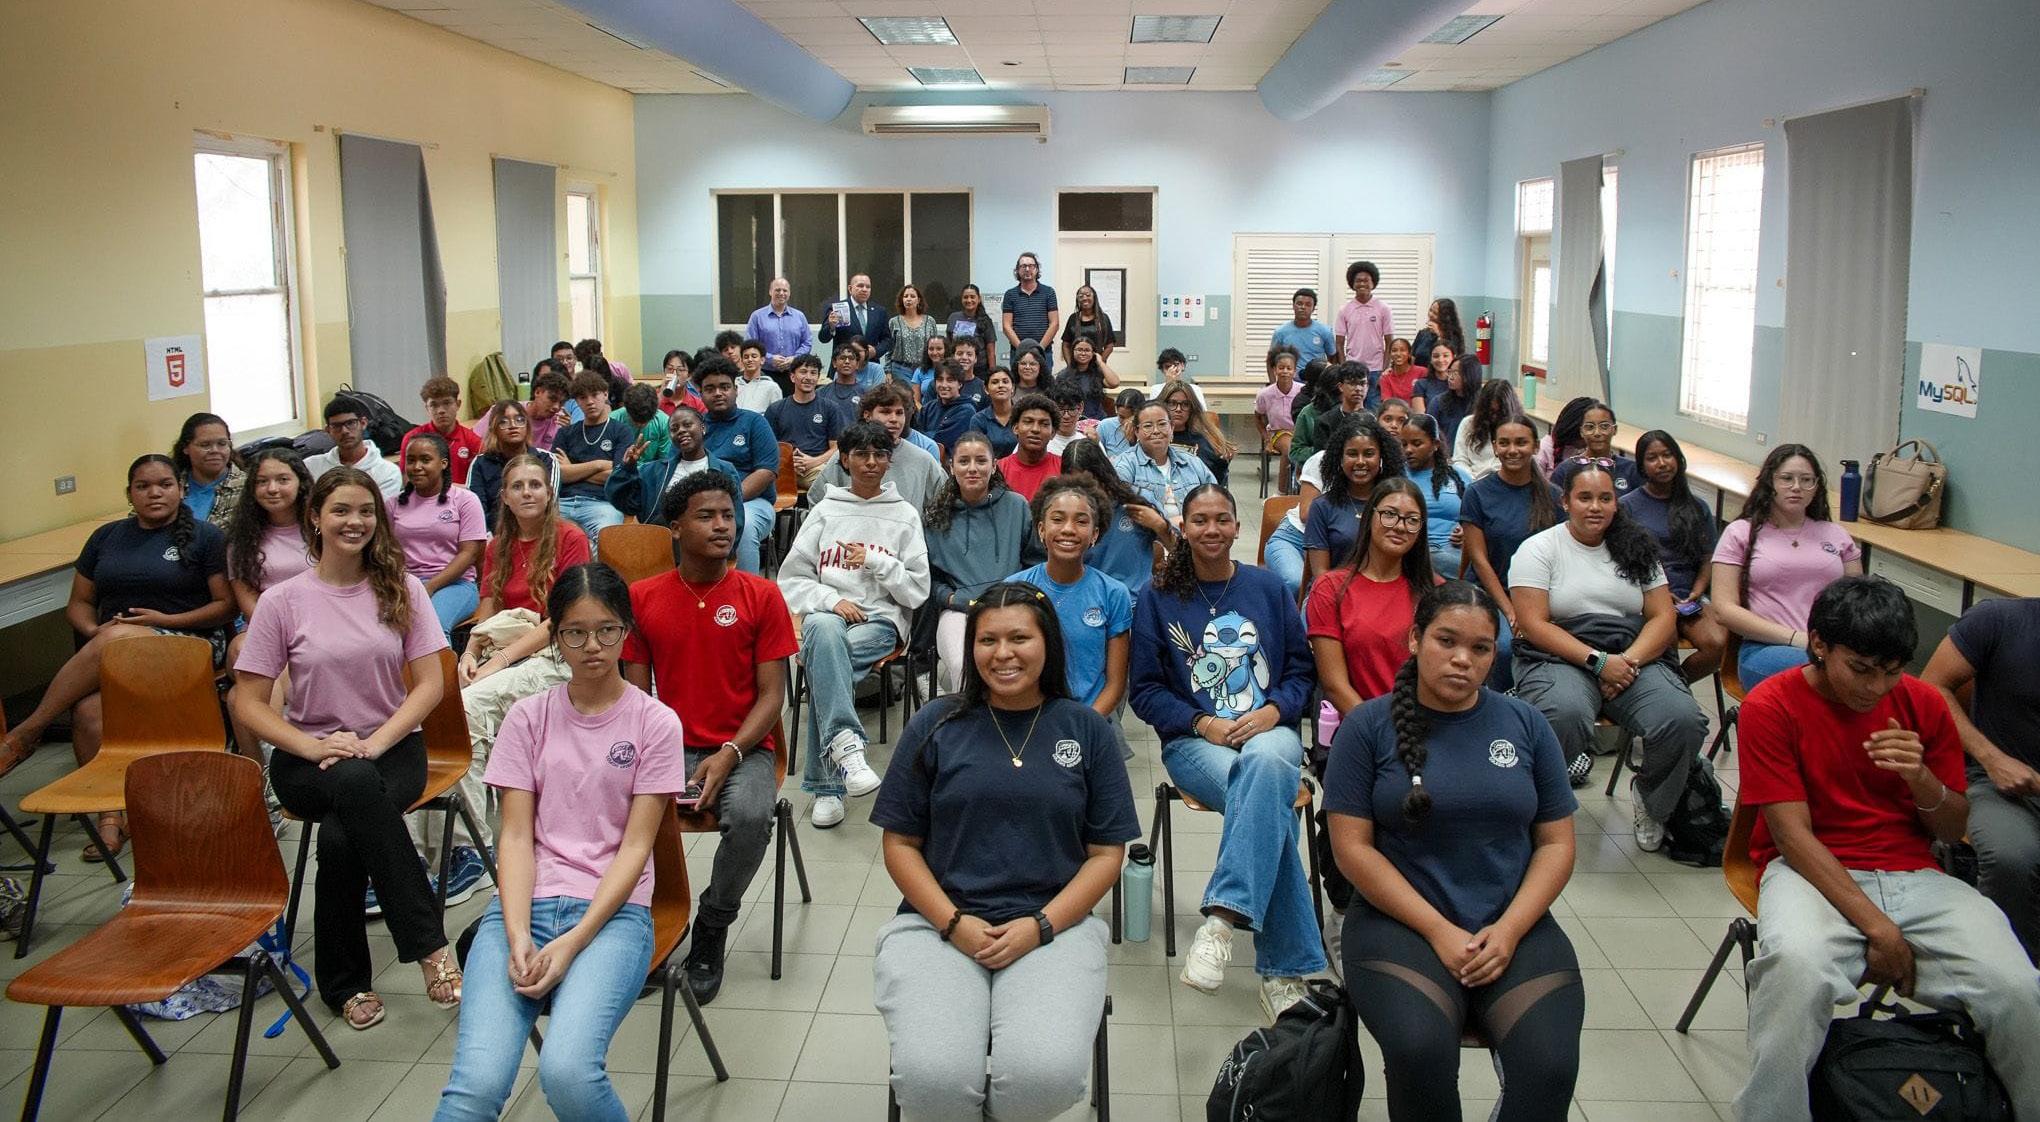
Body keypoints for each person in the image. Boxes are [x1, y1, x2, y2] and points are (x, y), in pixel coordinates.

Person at [1733, 576, 2040, 1120]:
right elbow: (1793, 838)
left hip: (1915, 875)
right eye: (1861, 669)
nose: (1876, 688)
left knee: (2018, 988)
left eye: (1892, 671)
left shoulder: (1923, 703)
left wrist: (1920, 777)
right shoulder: (1772, 704)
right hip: (1808, 873)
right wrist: (1880, 928)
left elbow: (1950, 828)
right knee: (1794, 974)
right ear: (1819, 644)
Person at [871, 583, 1138, 1121]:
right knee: (932, 1080)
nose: (1002, 654)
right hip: (937, 923)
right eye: (987, 640)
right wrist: (954, 923)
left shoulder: (1087, 729)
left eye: (1019, 638)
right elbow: (899, 843)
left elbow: (1106, 854)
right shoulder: (935, 724)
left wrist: (1039, 926)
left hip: (1055, 926)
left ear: (1048, 644)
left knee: (1045, 1078)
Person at [1324, 580, 1584, 1122]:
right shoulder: (1367, 728)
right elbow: (1352, 850)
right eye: (1446, 641)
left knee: (1550, 1067)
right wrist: (1440, 931)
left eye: (1480, 648)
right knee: (1420, 1053)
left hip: (1512, 921)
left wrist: (1509, 929)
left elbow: (1557, 843)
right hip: (1400, 923)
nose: (1463, 659)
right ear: (1415, 640)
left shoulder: (1527, 724)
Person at [433, 561, 680, 1120]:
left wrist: (572, 941)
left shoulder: (655, 722)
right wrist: (518, 932)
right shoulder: (527, 718)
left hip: (612, 916)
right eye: (575, 633)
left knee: (567, 1072)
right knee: (474, 1087)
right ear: (555, 636)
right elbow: (516, 837)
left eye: (607, 630)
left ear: (626, 630)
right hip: (525, 906)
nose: (592, 646)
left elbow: (636, 848)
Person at [232, 466, 459, 1028]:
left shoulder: (402, 589)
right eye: (340, 510)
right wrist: (311, 748)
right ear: (315, 517)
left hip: (393, 748)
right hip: (306, 758)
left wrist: (374, 743)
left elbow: (431, 684)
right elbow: (249, 703)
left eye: (365, 511)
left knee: (340, 834)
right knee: (353, 788)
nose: (354, 521)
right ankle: (430, 948)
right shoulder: (283, 601)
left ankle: (346, 985)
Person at [1131, 485, 1325, 1019]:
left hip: (1270, 732)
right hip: (1194, 743)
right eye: (1200, 520)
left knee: (1263, 767)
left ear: (1238, 527)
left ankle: (1221, 920)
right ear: (1184, 528)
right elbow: (1145, 691)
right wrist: (1202, 722)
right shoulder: (1157, 595)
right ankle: (1283, 973)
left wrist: (1273, 712)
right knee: (1268, 794)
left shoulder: (1268, 587)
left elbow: (1301, 671)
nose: (1211, 529)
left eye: (1222, 519)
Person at [617, 471, 799, 1003]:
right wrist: (656, 761)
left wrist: (729, 754)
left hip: (745, 746)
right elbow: (637, 699)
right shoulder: (642, 597)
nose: (723, 525)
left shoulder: (761, 595)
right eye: (706, 516)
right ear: (675, 527)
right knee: (617, 811)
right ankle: (646, 926)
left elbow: (772, 697)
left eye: (728, 515)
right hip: (666, 745)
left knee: (750, 817)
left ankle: (712, 924)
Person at [0, 457, 234, 850]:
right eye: (143, 486)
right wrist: (96, 633)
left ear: (181, 489)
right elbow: (79, 603)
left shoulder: (206, 537)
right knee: (88, 712)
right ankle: (110, 817)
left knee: (118, 638)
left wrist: (162, 620)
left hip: (190, 644)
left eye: (164, 484)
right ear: (129, 493)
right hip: (116, 651)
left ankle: (27, 731)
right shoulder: (106, 537)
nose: (154, 493)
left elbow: (225, 606)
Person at [1511, 458, 1708, 826]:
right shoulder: (1538, 549)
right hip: (1559, 656)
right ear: (1565, 502)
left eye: (1605, 498)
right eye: (1584, 498)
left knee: (1683, 720)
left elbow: (1663, 616)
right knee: (1563, 714)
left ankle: (1653, 803)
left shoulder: (1637, 548)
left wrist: (1627, 663)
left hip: (1632, 656)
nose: (1595, 507)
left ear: (1616, 503)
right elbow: (1533, 624)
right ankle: (1536, 809)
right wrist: (1600, 663)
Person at [449, 454, 594, 896]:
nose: (527, 492)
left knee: (468, 707)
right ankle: (431, 849)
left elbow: (563, 619)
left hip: (554, 654)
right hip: (502, 646)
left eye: (535, 484)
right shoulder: (498, 544)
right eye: (518, 486)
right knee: (437, 709)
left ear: (550, 493)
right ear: (505, 497)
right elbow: (489, 605)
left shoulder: (570, 538)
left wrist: (499, 661)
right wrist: (471, 652)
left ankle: (471, 850)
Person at [781, 421, 931, 827]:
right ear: (844, 460)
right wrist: (833, 600)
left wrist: (876, 561)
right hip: (826, 617)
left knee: (824, 658)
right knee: (826, 636)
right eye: (861, 454)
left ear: (889, 461)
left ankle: (827, 786)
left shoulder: (904, 515)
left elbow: (916, 591)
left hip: (880, 623)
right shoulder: (825, 511)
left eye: (880, 454)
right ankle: (847, 750)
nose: (871, 462)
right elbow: (790, 580)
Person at [1923, 596, 2040, 961]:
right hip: (2002, 788)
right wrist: (1992, 758)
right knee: (2011, 857)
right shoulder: (1999, 620)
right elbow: (1931, 688)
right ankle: (2009, 970)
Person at [1711, 444, 1863, 692]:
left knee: (1878, 674)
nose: (1796, 487)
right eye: (1786, 478)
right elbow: (1723, 610)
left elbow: (1858, 604)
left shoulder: (1836, 534)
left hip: (1831, 649)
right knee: (1832, 674)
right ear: (1769, 482)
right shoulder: (1740, 533)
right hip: (1766, 648)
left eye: (1806, 480)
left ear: (1816, 487)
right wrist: (1796, 639)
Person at [1308, 478, 1436, 728]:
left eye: (1412, 520)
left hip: (1421, 728)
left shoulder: (1434, 592)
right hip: (1360, 728)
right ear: (1369, 517)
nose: (1400, 526)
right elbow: (1335, 685)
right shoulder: (1330, 588)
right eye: (1389, 515)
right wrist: (1382, 732)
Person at [926, 432, 1040, 695]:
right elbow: (928, 577)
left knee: (1017, 663)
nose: (973, 468)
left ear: (994, 465)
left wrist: (1017, 596)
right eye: (964, 461)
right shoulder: (935, 516)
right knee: (963, 665)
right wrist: (950, 598)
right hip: (959, 611)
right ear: (951, 467)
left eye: (981, 460)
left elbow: (1035, 562)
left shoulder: (1017, 506)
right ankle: (971, 720)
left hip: (1012, 606)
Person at [1016, 477, 1133, 725]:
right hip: (1028, 720)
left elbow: (1116, 684)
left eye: (1081, 521)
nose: (1068, 529)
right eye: (1058, 519)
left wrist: (1085, 726)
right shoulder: (1015, 589)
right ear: (1041, 529)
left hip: (1092, 718)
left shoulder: (1113, 593)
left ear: (1094, 534)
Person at [221, 447, 315, 757]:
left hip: (320, 624)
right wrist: (282, 634)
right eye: (262, 482)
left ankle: (266, 766)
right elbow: (247, 600)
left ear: (300, 483)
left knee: (238, 698)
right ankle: (273, 762)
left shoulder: (321, 529)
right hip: (264, 627)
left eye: (282, 479)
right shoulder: (241, 539)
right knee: (245, 648)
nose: (272, 488)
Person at [1458, 416, 1557, 690]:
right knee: (1504, 648)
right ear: (1495, 446)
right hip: (1492, 593)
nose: (1512, 450)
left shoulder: (1553, 496)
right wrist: (1511, 610)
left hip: (1541, 596)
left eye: (1521, 442)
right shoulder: (1477, 493)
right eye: (1504, 443)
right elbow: (1479, 560)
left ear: (1535, 446)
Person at [1623, 431, 1726, 682]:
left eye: (1667, 455)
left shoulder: (1697, 506)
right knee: (1664, 645)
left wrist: (1697, 590)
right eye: (1652, 458)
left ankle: (1677, 685)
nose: (1662, 463)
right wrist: (1660, 593)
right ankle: (1668, 692)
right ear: (1642, 466)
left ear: (1678, 459)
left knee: (1718, 644)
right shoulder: (1627, 506)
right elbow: (1623, 559)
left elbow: (1708, 556)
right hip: (1649, 596)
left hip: (1690, 598)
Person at [391, 434, 489, 639]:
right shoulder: (392, 504)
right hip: (405, 583)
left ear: (443, 463)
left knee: (432, 626)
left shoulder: (465, 500)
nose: (417, 467)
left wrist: (430, 587)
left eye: (425, 460)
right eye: (411, 460)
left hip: (455, 585)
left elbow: (469, 554)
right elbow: (387, 551)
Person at [1303, 413, 1409, 596]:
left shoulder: (1397, 504)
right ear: (1340, 458)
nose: (1360, 462)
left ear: (1381, 457)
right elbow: (1321, 574)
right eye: (1352, 454)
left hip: (1384, 594)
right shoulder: (1322, 506)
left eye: (1369, 454)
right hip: (1332, 594)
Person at [696, 357, 783, 576]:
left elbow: (766, 472)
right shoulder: (694, 427)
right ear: (700, 394)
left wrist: (727, 501)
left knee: (743, 526)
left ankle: (747, 592)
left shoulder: (755, 423)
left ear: (736, 390)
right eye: (710, 389)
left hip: (752, 503)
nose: (718, 393)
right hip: (701, 503)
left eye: (724, 387)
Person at [809, 381, 948, 508]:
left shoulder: (923, 460)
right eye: (886, 412)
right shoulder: (848, 455)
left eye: (899, 413)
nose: (894, 419)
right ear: (867, 415)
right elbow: (817, 500)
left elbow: (945, 504)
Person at [604, 405, 741, 527]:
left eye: (687, 425)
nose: (681, 431)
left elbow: (736, 518)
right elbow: (623, 501)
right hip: (660, 539)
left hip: (706, 541)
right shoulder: (652, 471)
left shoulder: (725, 470)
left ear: (703, 428)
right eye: (674, 429)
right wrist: (626, 468)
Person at [550, 370, 632, 540]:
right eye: (583, 397)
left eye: (595, 395)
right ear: (577, 402)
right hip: (563, 502)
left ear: (605, 394)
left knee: (606, 539)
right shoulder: (565, 433)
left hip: (602, 503)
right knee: (545, 536)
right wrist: (599, 465)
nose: (590, 402)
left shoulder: (621, 431)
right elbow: (558, 474)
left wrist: (573, 469)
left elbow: (617, 476)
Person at [1112, 400, 1214, 528]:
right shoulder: (1124, 465)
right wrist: (1168, 524)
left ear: (1172, 427)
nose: (1156, 431)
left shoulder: (1192, 462)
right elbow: (1122, 514)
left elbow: (1215, 501)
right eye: (1148, 426)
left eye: (1162, 424)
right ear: (1137, 431)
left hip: (1192, 535)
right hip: (1146, 536)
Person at [1398, 414, 1472, 578]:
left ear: (1435, 444)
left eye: (1416, 443)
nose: (1408, 450)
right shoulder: (1397, 477)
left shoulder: (1459, 477)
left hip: (1456, 550)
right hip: (1416, 551)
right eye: (1404, 444)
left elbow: (1477, 518)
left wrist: (1467, 531)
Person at [767, 353, 846, 490]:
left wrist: (813, 462)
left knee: (828, 486)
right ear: (792, 377)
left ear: (818, 377)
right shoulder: (775, 409)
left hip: (816, 466)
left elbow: (836, 447)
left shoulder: (830, 408)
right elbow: (768, 447)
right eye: (803, 372)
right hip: (782, 467)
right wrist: (787, 463)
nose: (808, 377)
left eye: (813, 373)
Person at [306, 394, 402, 498]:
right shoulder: (311, 466)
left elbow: (378, 508)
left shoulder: (387, 472)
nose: (344, 431)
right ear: (328, 430)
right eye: (336, 426)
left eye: (351, 423)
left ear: (363, 423)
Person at [468, 400, 540, 530]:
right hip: (493, 533)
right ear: (494, 428)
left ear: (527, 426)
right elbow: (477, 509)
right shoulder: (480, 463)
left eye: (519, 420)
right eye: (504, 421)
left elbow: (548, 504)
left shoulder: (545, 459)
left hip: (537, 531)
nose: (513, 426)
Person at [1289, 361, 1369, 473]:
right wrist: (1321, 451)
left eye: (1362, 384)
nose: (1357, 389)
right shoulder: (1309, 414)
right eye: (1351, 384)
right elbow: (1295, 451)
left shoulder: (1365, 415)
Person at [403, 376, 484, 485]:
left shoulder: (473, 441)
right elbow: (407, 481)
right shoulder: (412, 438)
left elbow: (480, 484)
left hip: (462, 495)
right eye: (434, 405)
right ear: (427, 408)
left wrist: (451, 490)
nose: (441, 410)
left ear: (458, 404)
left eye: (447, 403)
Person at [1157, 378, 1234, 488]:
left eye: (1185, 404)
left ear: (1192, 408)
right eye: (1172, 403)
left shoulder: (1204, 441)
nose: (1178, 409)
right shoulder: (1152, 437)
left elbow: (1214, 481)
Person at [173, 411, 245, 528]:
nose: (215, 450)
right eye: (205, 445)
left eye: (222, 443)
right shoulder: (171, 485)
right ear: (186, 448)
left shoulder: (248, 487)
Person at [1450, 378, 1524, 482]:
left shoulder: (1520, 428)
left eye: (1500, 412)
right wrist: (1471, 481)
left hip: (1504, 482)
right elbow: (1459, 460)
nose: (1495, 417)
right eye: (1491, 411)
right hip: (1470, 481)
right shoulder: (1468, 423)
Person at [745, 276, 813, 383]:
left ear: (789, 293)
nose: (781, 293)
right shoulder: (757, 317)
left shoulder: (799, 316)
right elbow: (750, 345)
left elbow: (807, 342)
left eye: (785, 290)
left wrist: (795, 358)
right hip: (765, 373)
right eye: (777, 290)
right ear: (770, 292)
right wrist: (770, 358)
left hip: (793, 374)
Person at [1255, 347, 1304, 494]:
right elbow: (1258, 417)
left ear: (1294, 371)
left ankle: (1303, 489)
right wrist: (1266, 438)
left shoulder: (1303, 391)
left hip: (1300, 432)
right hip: (1278, 432)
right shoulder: (1265, 394)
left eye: (1289, 368)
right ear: (1274, 370)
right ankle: (1281, 491)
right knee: (1289, 449)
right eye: (1281, 368)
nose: (1285, 371)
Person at [997, 393, 1063, 501]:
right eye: (1028, 422)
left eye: (1044, 424)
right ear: (1015, 428)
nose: (1035, 429)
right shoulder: (998, 469)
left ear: (1053, 433)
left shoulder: (1064, 468)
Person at [1334, 260, 1394, 375]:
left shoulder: (1383, 308)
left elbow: (1389, 341)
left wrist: (1384, 369)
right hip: (1352, 368)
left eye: (1366, 280)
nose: (1362, 284)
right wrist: (1343, 367)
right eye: (1358, 281)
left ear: (1373, 283)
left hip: (1376, 369)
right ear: (1352, 284)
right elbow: (1339, 343)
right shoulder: (1344, 310)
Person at [818, 272, 893, 364]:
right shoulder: (837, 308)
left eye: (868, 287)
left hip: (870, 365)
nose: (864, 289)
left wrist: (876, 351)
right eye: (860, 286)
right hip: (844, 365)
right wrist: (831, 327)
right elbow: (823, 338)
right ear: (850, 289)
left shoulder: (879, 311)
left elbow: (887, 340)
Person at [1413, 345, 1479, 447]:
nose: (1450, 377)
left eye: (1455, 373)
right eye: (1449, 372)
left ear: (1469, 375)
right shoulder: (1438, 402)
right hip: (1446, 452)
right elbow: (1428, 432)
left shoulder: (1482, 402)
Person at [1001, 251, 1059, 362]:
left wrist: (1039, 349)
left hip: (1044, 352)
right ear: (1017, 270)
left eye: (1031, 266)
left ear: (1036, 269)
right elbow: (1006, 326)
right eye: (1023, 266)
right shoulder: (1010, 294)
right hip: (1017, 352)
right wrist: (1021, 349)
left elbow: (1054, 323)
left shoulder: (1049, 292)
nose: (1027, 269)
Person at [1270, 287, 1337, 370]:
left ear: (1313, 308)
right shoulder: (1280, 332)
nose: (1303, 307)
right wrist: (1273, 379)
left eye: (1308, 304)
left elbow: (1333, 357)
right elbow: (1270, 360)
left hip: (1316, 377)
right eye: (1299, 303)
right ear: (1293, 306)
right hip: (1290, 377)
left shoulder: (1325, 331)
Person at [916, 362, 977, 453]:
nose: (944, 385)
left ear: (960, 384)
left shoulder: (967, 411)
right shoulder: (928, 407)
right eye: (940, 380)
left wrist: (920, 437)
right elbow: (915, 432)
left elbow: (941, 439)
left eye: (950, 380)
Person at [1054, 336, 1118, 421]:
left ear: (1093, 353)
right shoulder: (1064, 375)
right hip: (1074, 420)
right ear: (1073, 352)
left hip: (1097, 419)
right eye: (1079, 350)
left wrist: (1100, 361)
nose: (1083, 353)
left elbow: (1114, 383)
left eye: (1087, 350)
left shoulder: (1097, 373)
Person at [885, 283, 936, 383]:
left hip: (924, 369)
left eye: (912, 296)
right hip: (900, 369)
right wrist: (888, 372)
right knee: (906, 393)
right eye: (905, 296)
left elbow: (935, 347)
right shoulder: (894, 322)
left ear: (918, 300)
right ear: (902, 300)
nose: (908, 299)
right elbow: (889, 349)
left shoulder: (929, 321)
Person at [1058, 283, 1115, 366]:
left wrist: (1100, 363)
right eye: (1081, 296)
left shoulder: (1103, 318)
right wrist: (1070, 366)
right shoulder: (1073, 318)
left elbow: (1109, 346)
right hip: (1076, 367)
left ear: (1094, 298)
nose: (1084, 298)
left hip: (1097, 366)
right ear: (1077, 300)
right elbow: (1065, 345)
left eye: (1088, 295)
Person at [819, 338, 870, 423]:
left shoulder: (866, 394)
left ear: (857, 364)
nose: (847, 362)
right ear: (834, 363)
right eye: (842, 358)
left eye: (851, 358)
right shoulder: (821, 393)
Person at [619, 383, 670, 466]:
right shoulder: (613, 420)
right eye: (635, 421)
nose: (640, 425)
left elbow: (664, 462)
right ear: (626, 409)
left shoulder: (664, 422)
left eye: (646, 421)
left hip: (651, 471)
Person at [1410, 298, 1467, 371]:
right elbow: (1412, 357)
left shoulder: (1453, 337)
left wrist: (1439, 335)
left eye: (1435, 313)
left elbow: (1451, 361)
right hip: (1420, 376)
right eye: (1430, 310)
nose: (1430, 315)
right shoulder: (1423, 334)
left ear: (1445, 317)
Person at [946, 283, 998, 361]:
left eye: (972, 297)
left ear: (979, 299)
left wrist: (993, 368)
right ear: (961, 299)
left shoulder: (985, 320)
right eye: (965, 297)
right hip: (957, 365)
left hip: (980, 366)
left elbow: (991, 351)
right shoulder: (953, 317)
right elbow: (949, 344)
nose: (969, 300)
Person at [734, 339, 782, 414]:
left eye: (754, 356)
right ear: (742, 361)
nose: (750, 360)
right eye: (746, 357)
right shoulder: (734, 384)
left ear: (762, 360)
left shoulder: (772, 387)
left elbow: (777, 415)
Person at [1092, 388, 1143, 458]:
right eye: (1121, 417)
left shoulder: (1146, 428)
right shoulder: (1105, 426)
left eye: (1131, 418)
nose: (1126, 422)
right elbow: (1097, 456)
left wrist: (1133, 442)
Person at [1376, 338, 1422, 406]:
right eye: (1394, 350)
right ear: (1390, 354)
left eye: (1402, 350)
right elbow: (1387, 403)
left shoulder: (1422, 372)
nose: (1398, 354)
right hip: (1395, 411)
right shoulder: (1386, 378)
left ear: (1409, 353)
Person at [907, 333, 950, 404]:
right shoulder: (920, 371)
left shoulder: (954, 370)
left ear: (946, 350)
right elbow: (915, 401)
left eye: (939, 349)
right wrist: (923, 410)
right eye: (931, 349)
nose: (934, 352)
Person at [1044, 383, 1084, 457]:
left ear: (1080, 408)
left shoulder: (1089, 440)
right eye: (1060, 409)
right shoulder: (1040, 442)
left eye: (1071, 409)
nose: (1066, 416)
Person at [949, 336, 989, 408]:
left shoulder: (983, 387)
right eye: (960, 353)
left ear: (975, 358)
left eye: (969, 354)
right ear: (953, 357)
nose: (964, 357)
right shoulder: (942, 384)